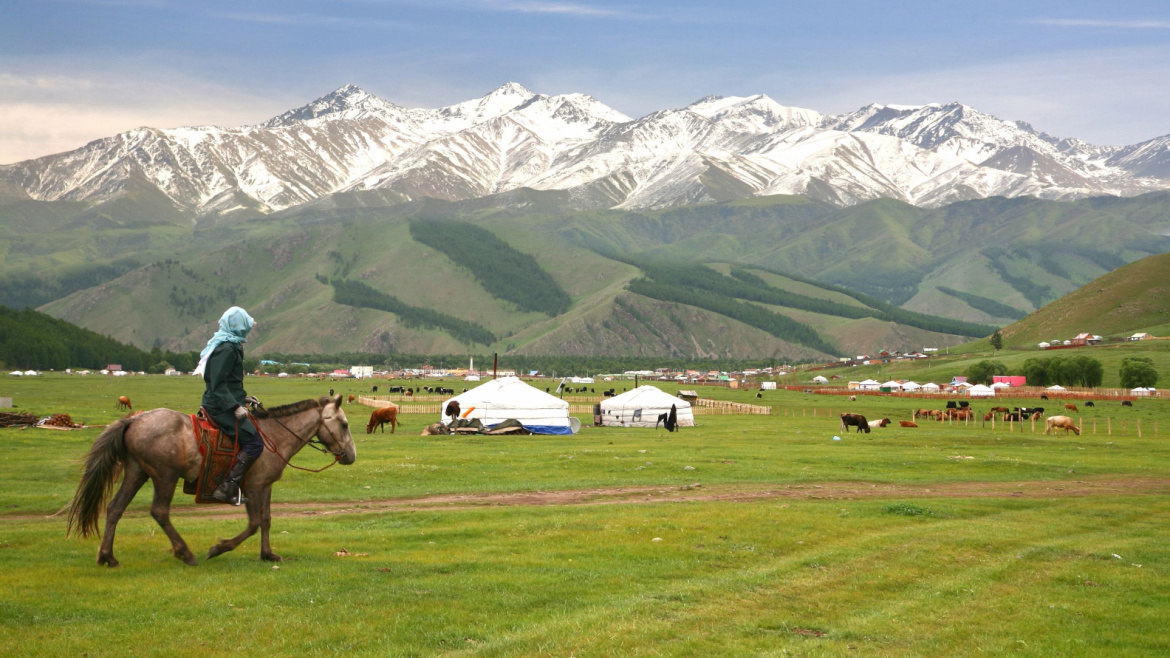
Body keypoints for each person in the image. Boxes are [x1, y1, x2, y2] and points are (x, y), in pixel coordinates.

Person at [194, 307, 261, 505]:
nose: (247, 330)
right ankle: (227, 488)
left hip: (224, 402)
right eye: (246, 326)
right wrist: (235, 406)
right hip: (219, 406)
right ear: (238, 326)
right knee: (255, 442)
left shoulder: (229, 344)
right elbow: (218, 384)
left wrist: (243, 399)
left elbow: (229, 383)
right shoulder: (227, 348)